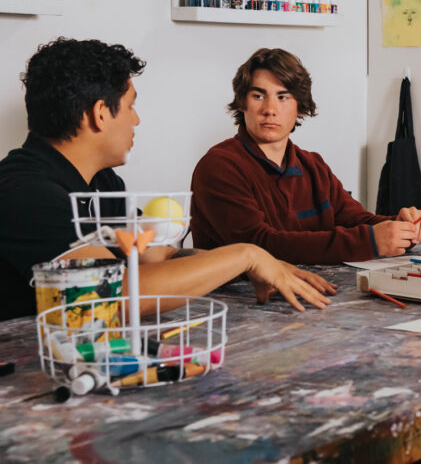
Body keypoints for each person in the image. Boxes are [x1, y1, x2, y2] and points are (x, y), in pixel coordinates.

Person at [0, 38, 336, 322]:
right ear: (101, 114)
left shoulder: (102, 183)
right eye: (130, 106)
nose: (136, 119)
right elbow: (113, 294)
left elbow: (153, 256)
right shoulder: (25, 194)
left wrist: (248, 268)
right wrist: (245, 255)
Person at [190, 48, 421, 264]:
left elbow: (353, 220)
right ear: (242, 103)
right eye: (258, 96)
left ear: (300, 107)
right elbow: (259, 247)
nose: (270, 109)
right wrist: (369, 241)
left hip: (311, 294)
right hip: (234, 305)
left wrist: (398, 225)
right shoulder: (219, 166)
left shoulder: (312, 165)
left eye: (283, 97)